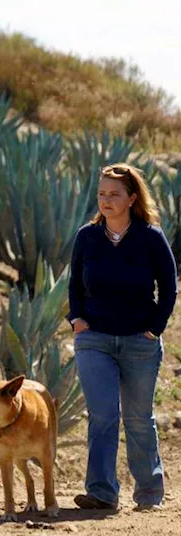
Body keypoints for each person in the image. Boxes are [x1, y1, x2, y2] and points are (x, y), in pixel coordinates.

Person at [68, 162, 178, 513]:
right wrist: (77, 319)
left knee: (137, 418)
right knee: (102, 415)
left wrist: (155, 328)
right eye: (101, 193)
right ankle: (102, 492)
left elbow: (170, 287)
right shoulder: (87, 236)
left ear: (132, 198)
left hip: (139, 342)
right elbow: (73, 284)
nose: (106, 200)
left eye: (114, 194)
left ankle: (149, 493)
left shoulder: (150, 237)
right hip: (94, 339)